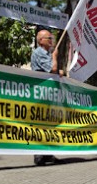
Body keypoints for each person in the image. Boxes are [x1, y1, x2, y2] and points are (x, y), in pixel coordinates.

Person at [31, 29, 62, 166]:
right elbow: (52, 69)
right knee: (41, 123)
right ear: (41, 40)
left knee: (48, 123)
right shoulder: (39, 53)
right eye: (49, 38)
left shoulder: (45, 53)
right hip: (41, 93)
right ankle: (39, 154)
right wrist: (54, 56)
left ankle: (47, 153)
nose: (51, 40)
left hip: (47, 92)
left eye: (51, 38)